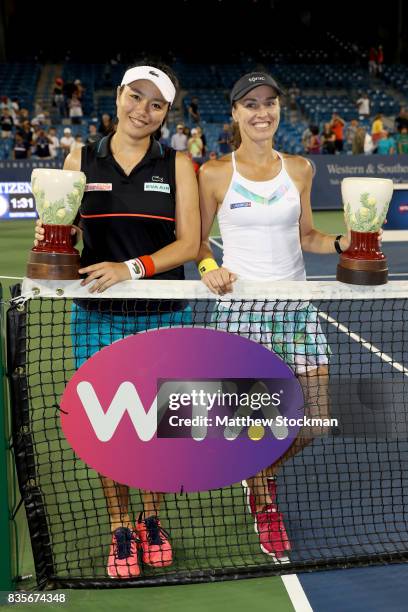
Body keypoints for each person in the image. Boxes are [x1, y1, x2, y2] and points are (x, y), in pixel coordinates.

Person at [35, 62, 200, 579]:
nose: (142, 110)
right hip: (96, 316)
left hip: (164, 315)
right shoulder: (81, 158)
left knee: (157, 428)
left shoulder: (178, 163)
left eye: (156, 104)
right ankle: (119, 526)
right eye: (135, 97)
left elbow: (189, 244)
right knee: (109, 428)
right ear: (118, 97)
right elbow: (61, 229)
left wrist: (129, 269)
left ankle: (152, 520)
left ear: (166, 113)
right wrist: (51, 244)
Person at [196, 71, 352, 563]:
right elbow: (199, 241)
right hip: (242, 311)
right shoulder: (215, 173)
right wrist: (209, 268)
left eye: (270, 102)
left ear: (279, 109)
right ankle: (264, 500)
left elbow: (309, 236)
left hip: (296, 309)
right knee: (258, 421)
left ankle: (260, 476)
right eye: (250, 104)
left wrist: (348, 243)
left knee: (317, 418)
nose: (261, 112)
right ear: (236, 114)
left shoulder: (301, 169)